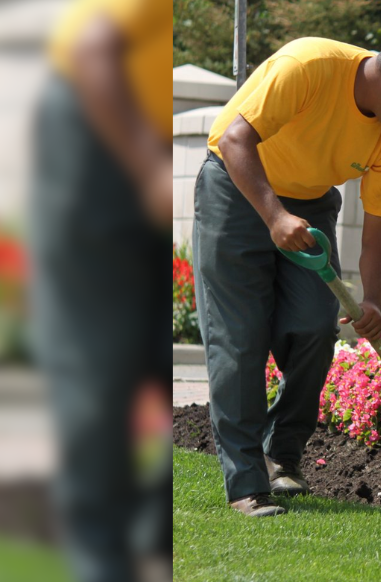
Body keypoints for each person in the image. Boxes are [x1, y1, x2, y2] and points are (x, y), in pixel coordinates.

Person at [193, 29, 381, 517]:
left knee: (315, 326)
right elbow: (236, 139)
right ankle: (247, 484)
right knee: (238, 339)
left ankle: (280, 454)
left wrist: (373, 301)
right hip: (238, 188)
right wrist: (274, 215)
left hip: (312, 202)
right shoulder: (308, 64)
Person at [30, 0, 172, 580]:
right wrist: (148, 169)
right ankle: (98, 552)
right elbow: (93, 49)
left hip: (141, 138)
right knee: (99, 362)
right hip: (96, 135)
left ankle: (153, 533)